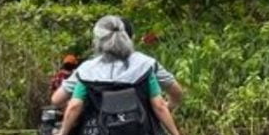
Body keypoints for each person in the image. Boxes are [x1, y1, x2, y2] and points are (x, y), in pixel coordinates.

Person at [50, 15, 188, 135]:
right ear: (128, 38)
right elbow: (159, 106)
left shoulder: (87, 71)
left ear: (98, 41)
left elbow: (74, 106)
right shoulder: (145, 67)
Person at [50, 19, 183, 112]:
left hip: (94, 129)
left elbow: (57, 100)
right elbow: (176, 93)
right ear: (132, 38)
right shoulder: (148, 65)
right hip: (141, 127)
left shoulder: (88, 69)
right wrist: (167, 107)